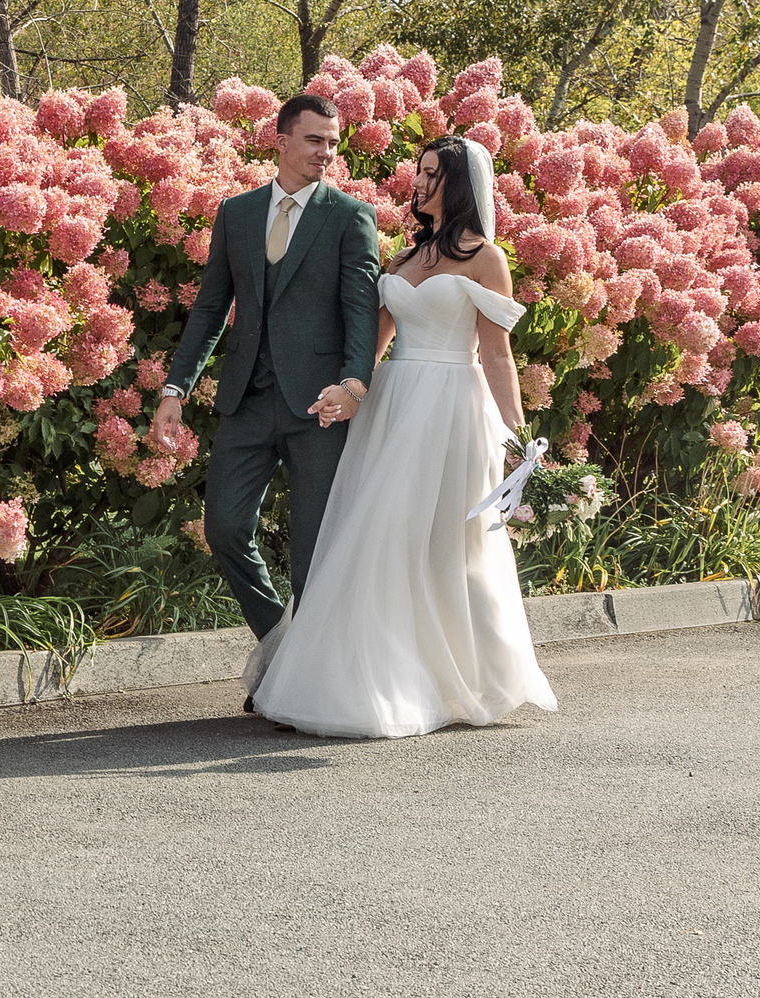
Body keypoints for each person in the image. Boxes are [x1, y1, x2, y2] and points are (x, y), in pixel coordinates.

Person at [246, 135, 558, 738]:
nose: (418, 182)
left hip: (452, 410)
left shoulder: (486, 258)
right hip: (393, 409)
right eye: (419, 171)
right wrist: (347, 393)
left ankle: (462, 678)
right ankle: (372, 681)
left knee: (446, 545)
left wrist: (518, 438)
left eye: (432, 173)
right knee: (379, 535)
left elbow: (497, 355)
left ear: (458, 185)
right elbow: (375, 342)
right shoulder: (402, 258)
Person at [151, 93, 381, 644]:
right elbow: (211, 308)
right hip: (247, 400)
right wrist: (175, 388)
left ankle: (311, 670)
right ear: (281, 141)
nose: (326, 152)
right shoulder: (237, 213)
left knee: (312, 548)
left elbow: (361, 312)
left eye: (332, 142)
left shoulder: (350, 217)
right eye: (314, 140)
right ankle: (279, 640)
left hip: (319, 407)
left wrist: (354, 385)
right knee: (224, 527)